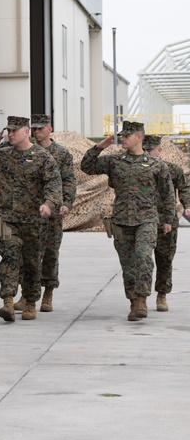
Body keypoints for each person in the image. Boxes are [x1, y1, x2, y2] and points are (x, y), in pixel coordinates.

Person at [81, 122, 174, 321]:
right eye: (121, 136)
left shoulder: (156, 165)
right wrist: (101, 146)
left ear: (139, 137)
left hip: (147, 220)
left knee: (142, 257)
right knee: (128, 265)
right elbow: (86, 166)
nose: (122, 138)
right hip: (122, 220)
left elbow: (167, 195)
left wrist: (168, 219)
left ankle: (141, 299)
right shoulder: (114, 161)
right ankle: (133, 302)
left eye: (126, 136)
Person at [0, 116, 62, 323]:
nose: (10, 134)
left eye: (14, 131)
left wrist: (48, 204)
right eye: (8, 131)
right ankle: (7, 301)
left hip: (34, 220)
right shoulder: (2, 155)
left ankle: (30, 302)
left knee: (32, 263)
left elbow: (53, 185)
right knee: (9, 258)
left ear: (26, 131)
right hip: (7, 218)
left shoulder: (43, 157)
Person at [14, 113, 76, 313]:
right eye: (34, 128)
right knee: (26, 256)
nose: (37, 132)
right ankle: (26, 295)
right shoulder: (24, 150)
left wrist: (66, 202)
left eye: (41, 128)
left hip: (52, 213)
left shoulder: (61, 154)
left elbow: (68, 180)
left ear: (50, 129)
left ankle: (48, 292)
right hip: (27, 211)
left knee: (50, 253)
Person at [142, 134, 190, 312]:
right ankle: (141, 297)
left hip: (166, 221)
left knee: (164, 259)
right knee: (142, 260)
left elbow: (185, 188)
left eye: (150, 150)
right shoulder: (138, 168)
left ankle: (162, 294)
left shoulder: (172, 170)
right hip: (142, 221)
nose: (147, 153)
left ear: (159, 150)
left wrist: (187, 205)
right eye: (144, 149)